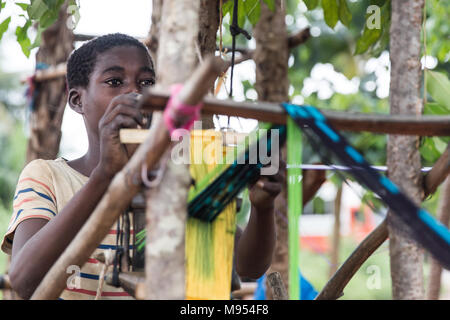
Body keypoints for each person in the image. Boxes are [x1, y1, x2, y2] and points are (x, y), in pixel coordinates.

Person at [1, 33, 282, 300]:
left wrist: (262, 207)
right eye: (114, 81)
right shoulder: (47, 176)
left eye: (147, 83)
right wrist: (105, 176)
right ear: (77, 100)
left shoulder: (177, 176)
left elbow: (247, 268)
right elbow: (25, 280)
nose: (135, 92)